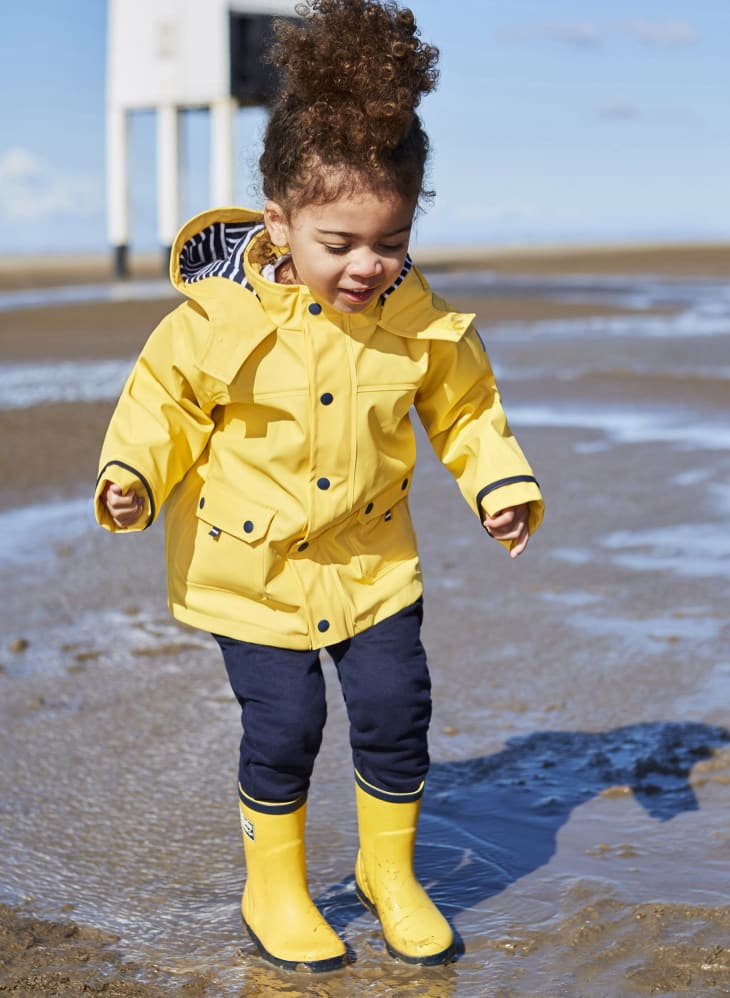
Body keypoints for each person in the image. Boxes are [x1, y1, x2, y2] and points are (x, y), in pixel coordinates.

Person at [95, 0, 543, 974]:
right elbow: (161, 402)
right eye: (339, 243)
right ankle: (277, 884)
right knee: (288, 722)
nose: (366, 265)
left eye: (390, 240)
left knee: (395, 706)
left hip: (371, 560)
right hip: (248, 567)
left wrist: (498, 482)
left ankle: (391, 872)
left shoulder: (415, 315)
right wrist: (132, 472)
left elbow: (465, 409)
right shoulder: (220, 318)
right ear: (280, 221)